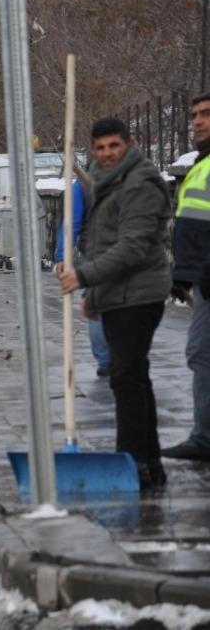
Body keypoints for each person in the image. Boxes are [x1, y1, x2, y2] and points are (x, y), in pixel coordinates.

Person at [57, 117, 171, 490]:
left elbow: (133, 246)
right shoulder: (107, 183)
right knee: (133, 376)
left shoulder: (140, 182)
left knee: (125, 376)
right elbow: (102, 243)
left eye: (114, 146)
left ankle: (133, 461)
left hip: (140, 294)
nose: (107, 154)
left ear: (128, 144)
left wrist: (85, 278)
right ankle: (148, 464)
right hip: (119, 294)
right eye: (100, 148)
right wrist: (95, 295)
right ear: (92, 151)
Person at [163, 91, 210, 462]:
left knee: (201, 353)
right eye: (194, 114)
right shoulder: (200, 165)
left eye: (206, 114)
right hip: (200, 278)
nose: (197, 121)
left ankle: (205, 438)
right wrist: (183, 273)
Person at [55, 177, 110, 377]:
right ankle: (117, 359)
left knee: (96, 304)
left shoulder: (82, 186)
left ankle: (106, 361)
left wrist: (62, 255)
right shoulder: (131, 177)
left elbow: (72, 223)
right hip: (124, 252)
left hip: (95, 254)